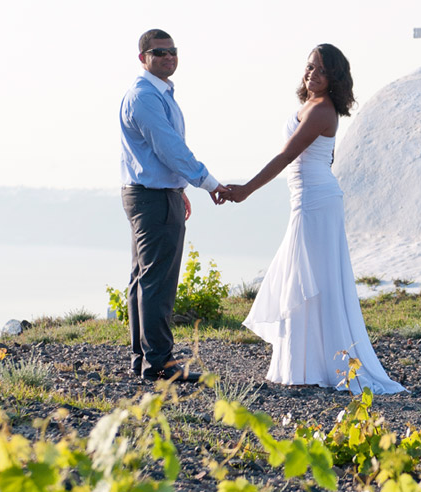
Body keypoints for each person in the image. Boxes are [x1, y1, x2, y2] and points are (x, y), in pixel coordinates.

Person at [221, 44, 405, 394]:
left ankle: (317, 365)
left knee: (310, 280)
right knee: (305, 278)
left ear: (333, 78)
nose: (312, 74)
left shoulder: (322, 110)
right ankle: (305, 363)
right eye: (310, 67)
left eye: (321, 70)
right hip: (309, 197)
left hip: (315, 201)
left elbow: (286, 156)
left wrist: (245, 189)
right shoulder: (311, 106)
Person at [120, 29, 227, 382]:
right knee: (157, 283)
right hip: (151, 197)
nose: (168, 57)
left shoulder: (158, 93)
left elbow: (156, 154)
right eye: (159, 52)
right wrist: (207, 182)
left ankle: (144, 360)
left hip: (153, 192)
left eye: (172, 51)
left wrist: (178, 189)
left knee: (144, 279)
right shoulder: (145, 97)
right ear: (143, 58)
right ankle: (160, 365)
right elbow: (169, 148)